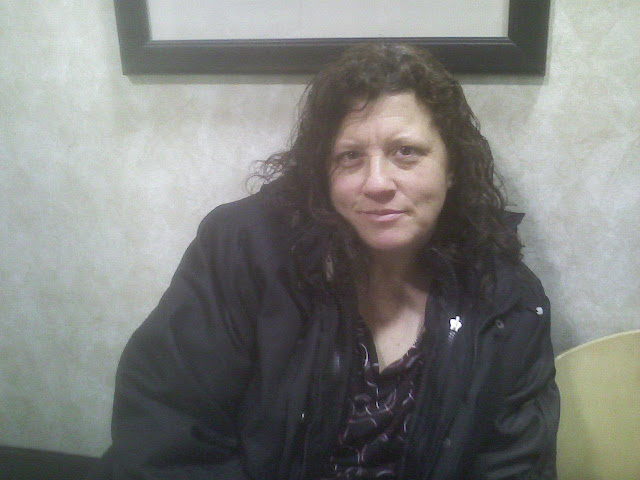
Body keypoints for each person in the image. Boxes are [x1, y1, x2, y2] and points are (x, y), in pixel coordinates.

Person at [89, 44, 559, 479]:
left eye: (406, 152)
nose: (377, 183)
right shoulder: (244, 251)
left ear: (451, 166)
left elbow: (513, 466)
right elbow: (166, 430)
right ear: (322, 171)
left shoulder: (506, 304)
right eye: (350, 157)